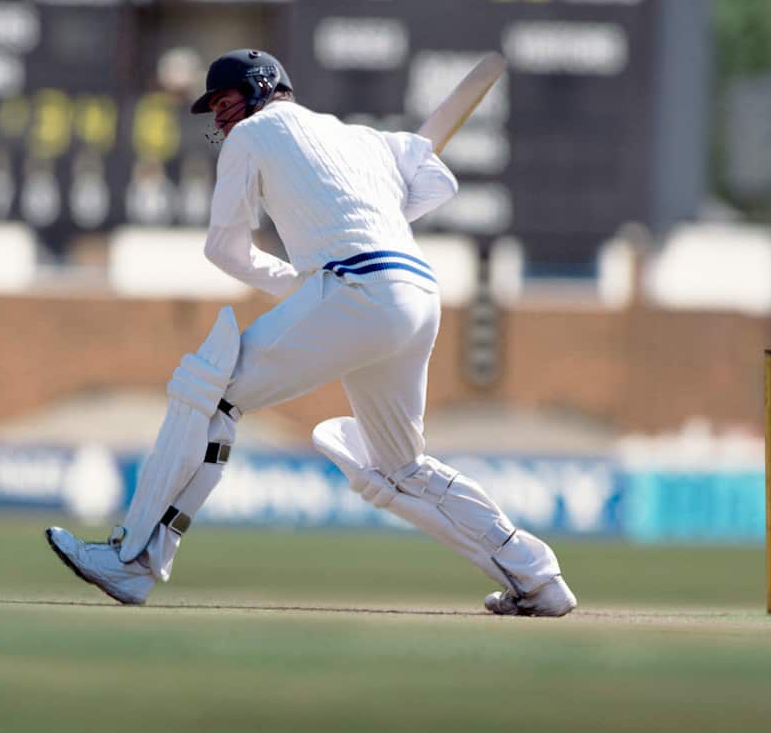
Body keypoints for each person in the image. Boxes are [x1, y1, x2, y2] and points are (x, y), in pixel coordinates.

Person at [46, 49, 576, 616]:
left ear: (260, 88)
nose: (221, 120)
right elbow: (426, 189)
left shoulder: (254, 137)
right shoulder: (368, 140)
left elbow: (223, 249)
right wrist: (325, 262)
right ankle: (537, 578)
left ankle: (132, 560)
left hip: (359, 287)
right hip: (418, 292)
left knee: (208, 389)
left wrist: (297, 283)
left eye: (225, 104)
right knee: (400, 468)